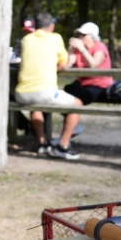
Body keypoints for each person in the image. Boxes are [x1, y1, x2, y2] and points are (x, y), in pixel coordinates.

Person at [15, 12, 81, 159]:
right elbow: (63, 65)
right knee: (77, 104)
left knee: (36, 105)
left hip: (22, 93)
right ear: (52, 25)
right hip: (45, 91)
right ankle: (63, 146)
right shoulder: (55, 38)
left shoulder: (26, 39)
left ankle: (42, 143)